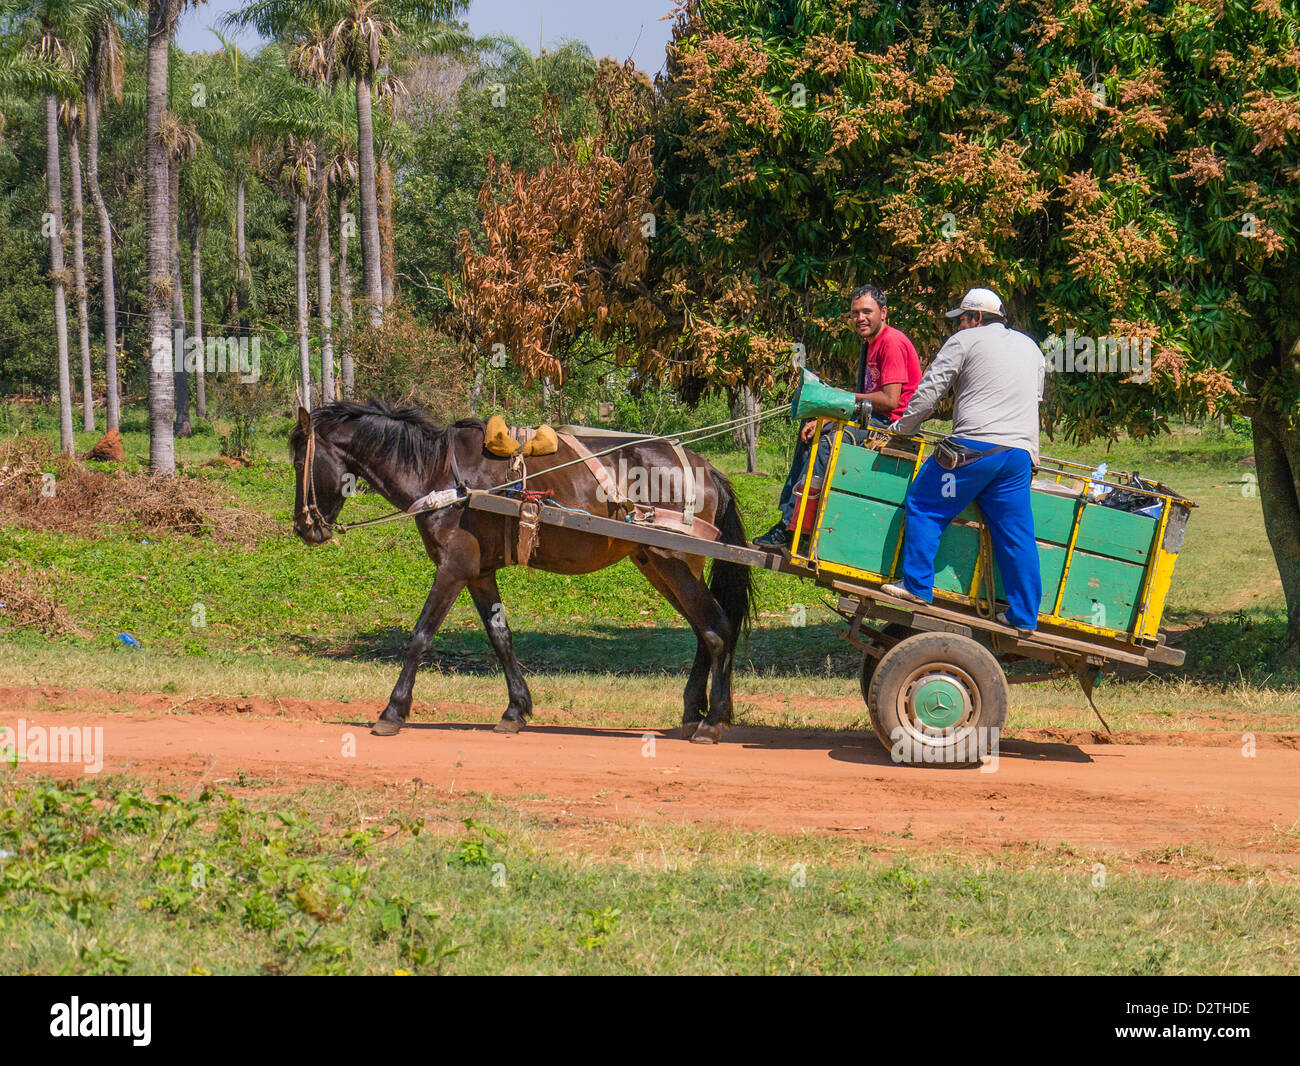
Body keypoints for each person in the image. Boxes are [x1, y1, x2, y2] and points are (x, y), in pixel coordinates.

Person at [882, 287, 1046, 633]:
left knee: (925, 502)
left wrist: (903, 427)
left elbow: (930, 390)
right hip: (1016, 457)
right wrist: (1033, 453)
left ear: (978, 318)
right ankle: (1024, 615)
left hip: (971, 453)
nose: (959, 327)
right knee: (1016, 534)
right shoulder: (1031, 348)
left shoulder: (966, 342)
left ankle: (917, 586)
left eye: (963, 319)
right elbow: (1034, 401)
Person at [753, 284, 922, 550]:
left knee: (825, 443)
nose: (860, 318)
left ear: (884, 312)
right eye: (855, 313)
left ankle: (797, 529)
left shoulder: (890, 342)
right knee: (810, 431)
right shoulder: (871, 344)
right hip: (873, 419)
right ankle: (790, 520)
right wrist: (832, 414)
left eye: (867, 311)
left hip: (892, 427)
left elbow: (890, 400)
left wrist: (844, 397)